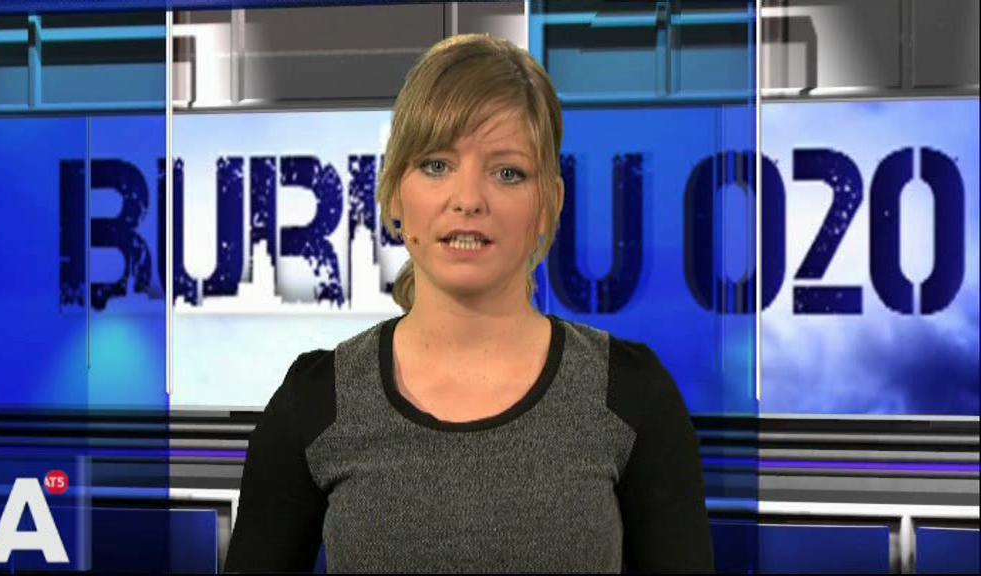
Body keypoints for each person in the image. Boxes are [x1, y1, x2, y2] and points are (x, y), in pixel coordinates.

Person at [224, 33, 714, 574]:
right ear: (394, 192)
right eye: (436, 165)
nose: (468, 200)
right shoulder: (317, 402)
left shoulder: (630, 395)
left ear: (548, 204)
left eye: (508, 173)